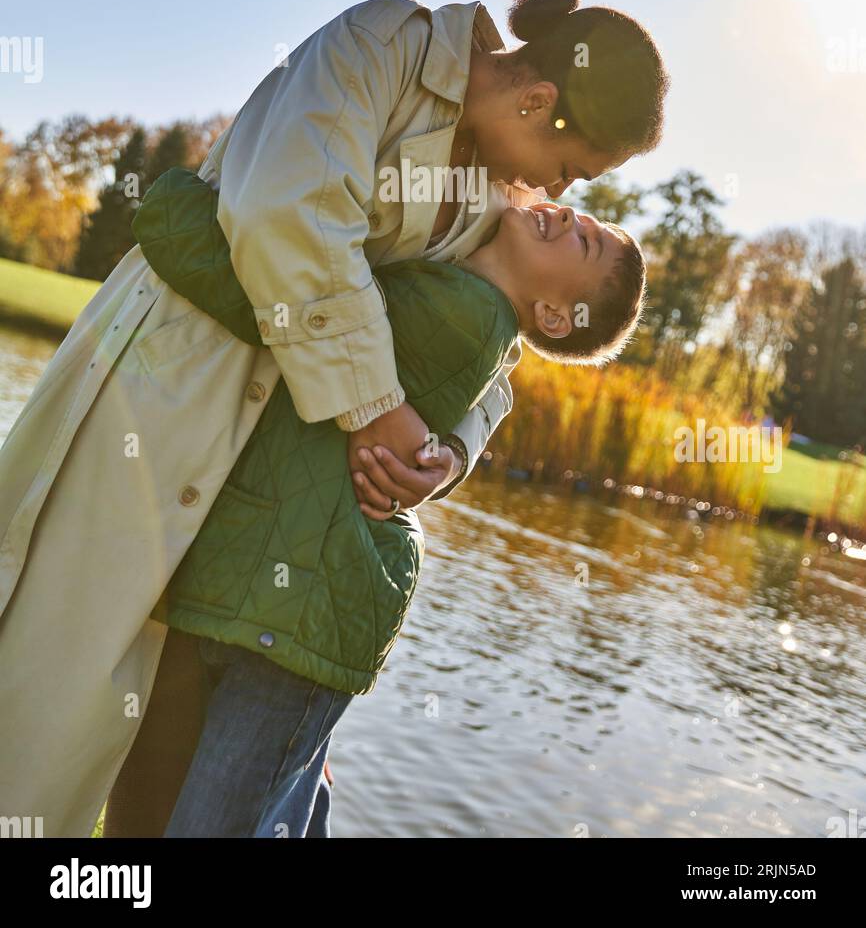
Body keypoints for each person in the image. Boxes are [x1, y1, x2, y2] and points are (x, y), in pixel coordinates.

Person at [0, 0, 669, 836]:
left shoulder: (495, 190)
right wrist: (377, 407)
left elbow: (498, 359)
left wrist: (447, 449)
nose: (554, 190)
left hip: (264, 462)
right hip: (165, 391)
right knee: (47, 693)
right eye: (570, 170)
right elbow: (291, 215)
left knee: (149, 737)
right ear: (538, 103)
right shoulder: (385, 45)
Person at [103, 165, 646, 837]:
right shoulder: (456, 278)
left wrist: (172, 209)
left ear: (558, 316)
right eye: (580, 215)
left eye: (583, 241)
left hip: (299, 615)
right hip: (271, 591)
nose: (566, 215)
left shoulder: (463, 314)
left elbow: (292, 304)